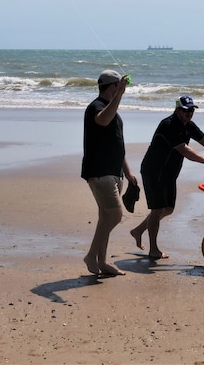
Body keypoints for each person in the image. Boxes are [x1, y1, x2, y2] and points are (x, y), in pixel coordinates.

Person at [131, 95, 204, 260]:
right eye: (185, 110)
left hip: (169, 173)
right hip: (154, 171)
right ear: (177, 109)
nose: (189, 113)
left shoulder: (189, 125)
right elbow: (185, 150)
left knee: (168, 209)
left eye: (191, 110)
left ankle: (138, 230)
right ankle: (153, 250)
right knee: (157, 210)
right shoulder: (168, 125)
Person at [82, 69, 138, 276]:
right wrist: (120, 96)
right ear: (112, 86)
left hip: (114, 172)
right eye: (118, 87)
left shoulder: (112, 110)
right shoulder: (96, 107)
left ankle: (102, 262)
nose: (120, 90)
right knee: (115, 215)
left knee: (105, 217)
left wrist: (128, 171)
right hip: (99, 171)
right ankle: (91, 255)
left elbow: (117, 145)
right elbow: (103, 120)